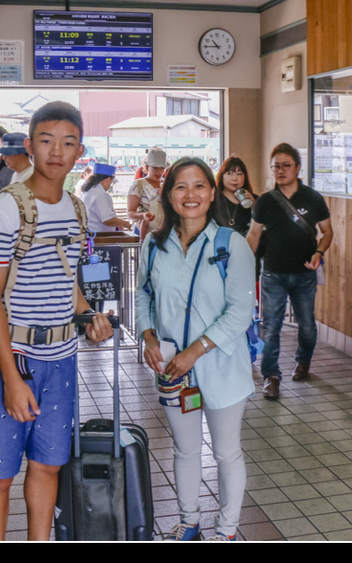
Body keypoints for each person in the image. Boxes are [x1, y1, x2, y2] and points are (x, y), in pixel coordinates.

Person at [0, 101, 114, 541]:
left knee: (48, 465)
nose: (57, 152)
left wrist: (87, 313)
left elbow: (68, 280)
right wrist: (11, 378)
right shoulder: (4, 209)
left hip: (61, 359)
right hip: (8, 359)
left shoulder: (75, 208)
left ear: (80, 152)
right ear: (30, 146)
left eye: (68, 143)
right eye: (47, 141)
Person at [136, 157, 256, 542]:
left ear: (211, 191)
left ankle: (227, 532)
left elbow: (240, 311)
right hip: (174, 369)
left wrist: (196, 350)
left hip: (221, 366)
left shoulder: (231, 244)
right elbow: (143, 296)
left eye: (199, 186)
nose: (191, 195)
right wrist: (149, 336)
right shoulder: (154, 245)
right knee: (185, 451)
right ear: (168, 195)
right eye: (181, 187)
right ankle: (189, 524)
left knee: (226, 453)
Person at [246, 143, 332, 398]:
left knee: (306, 325)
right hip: (273, 273)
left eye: (286, 166)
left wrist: (319, 253)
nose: (280, 171)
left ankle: (303, 360)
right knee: (272, 327)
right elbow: (253, 234)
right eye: (276, 167)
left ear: (297, 167)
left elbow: (327, 233)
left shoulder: (312, 198)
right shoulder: (265, 202)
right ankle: (271, 376)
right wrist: (241, 264)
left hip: (305, 274)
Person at [128, 148, 167, 239]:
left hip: (164, 232)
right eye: (155, 168)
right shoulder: (138, 185)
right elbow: (130, 213)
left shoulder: (167, 185)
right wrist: (143, 215)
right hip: (143, 230)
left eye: (162, 168)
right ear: (147, 167)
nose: (159, 172)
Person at [80, 162, 131, 232]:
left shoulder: (88, 191)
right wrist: (125, 223)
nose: (110, 185)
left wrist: (117, 222)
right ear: (108, 179)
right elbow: (107, 220)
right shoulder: (100, 194)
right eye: (111, 182)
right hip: (99, 236)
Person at [215, 155, 258, 235]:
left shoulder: (254, 199)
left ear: (245, 177)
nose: (234, 178)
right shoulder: (213, 200)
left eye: (239, 174)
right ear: (222, 177)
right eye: (229, 173)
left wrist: (254, 207)